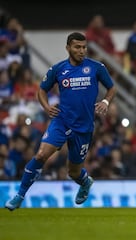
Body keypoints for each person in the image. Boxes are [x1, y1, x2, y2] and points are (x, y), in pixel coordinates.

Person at [5, 32, 116, 211]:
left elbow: (111, 88)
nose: (82, 51)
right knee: (41, 155)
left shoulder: (96, 67)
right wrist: (47, 107)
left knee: (73, 172)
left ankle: (85, 182)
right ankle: (20, 195)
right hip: (62, 121)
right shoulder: (58, 69)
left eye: (84, 47)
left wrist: (105, 101)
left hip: (84, 128)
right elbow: (41, 90)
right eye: (77, 47)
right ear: (68, 48)